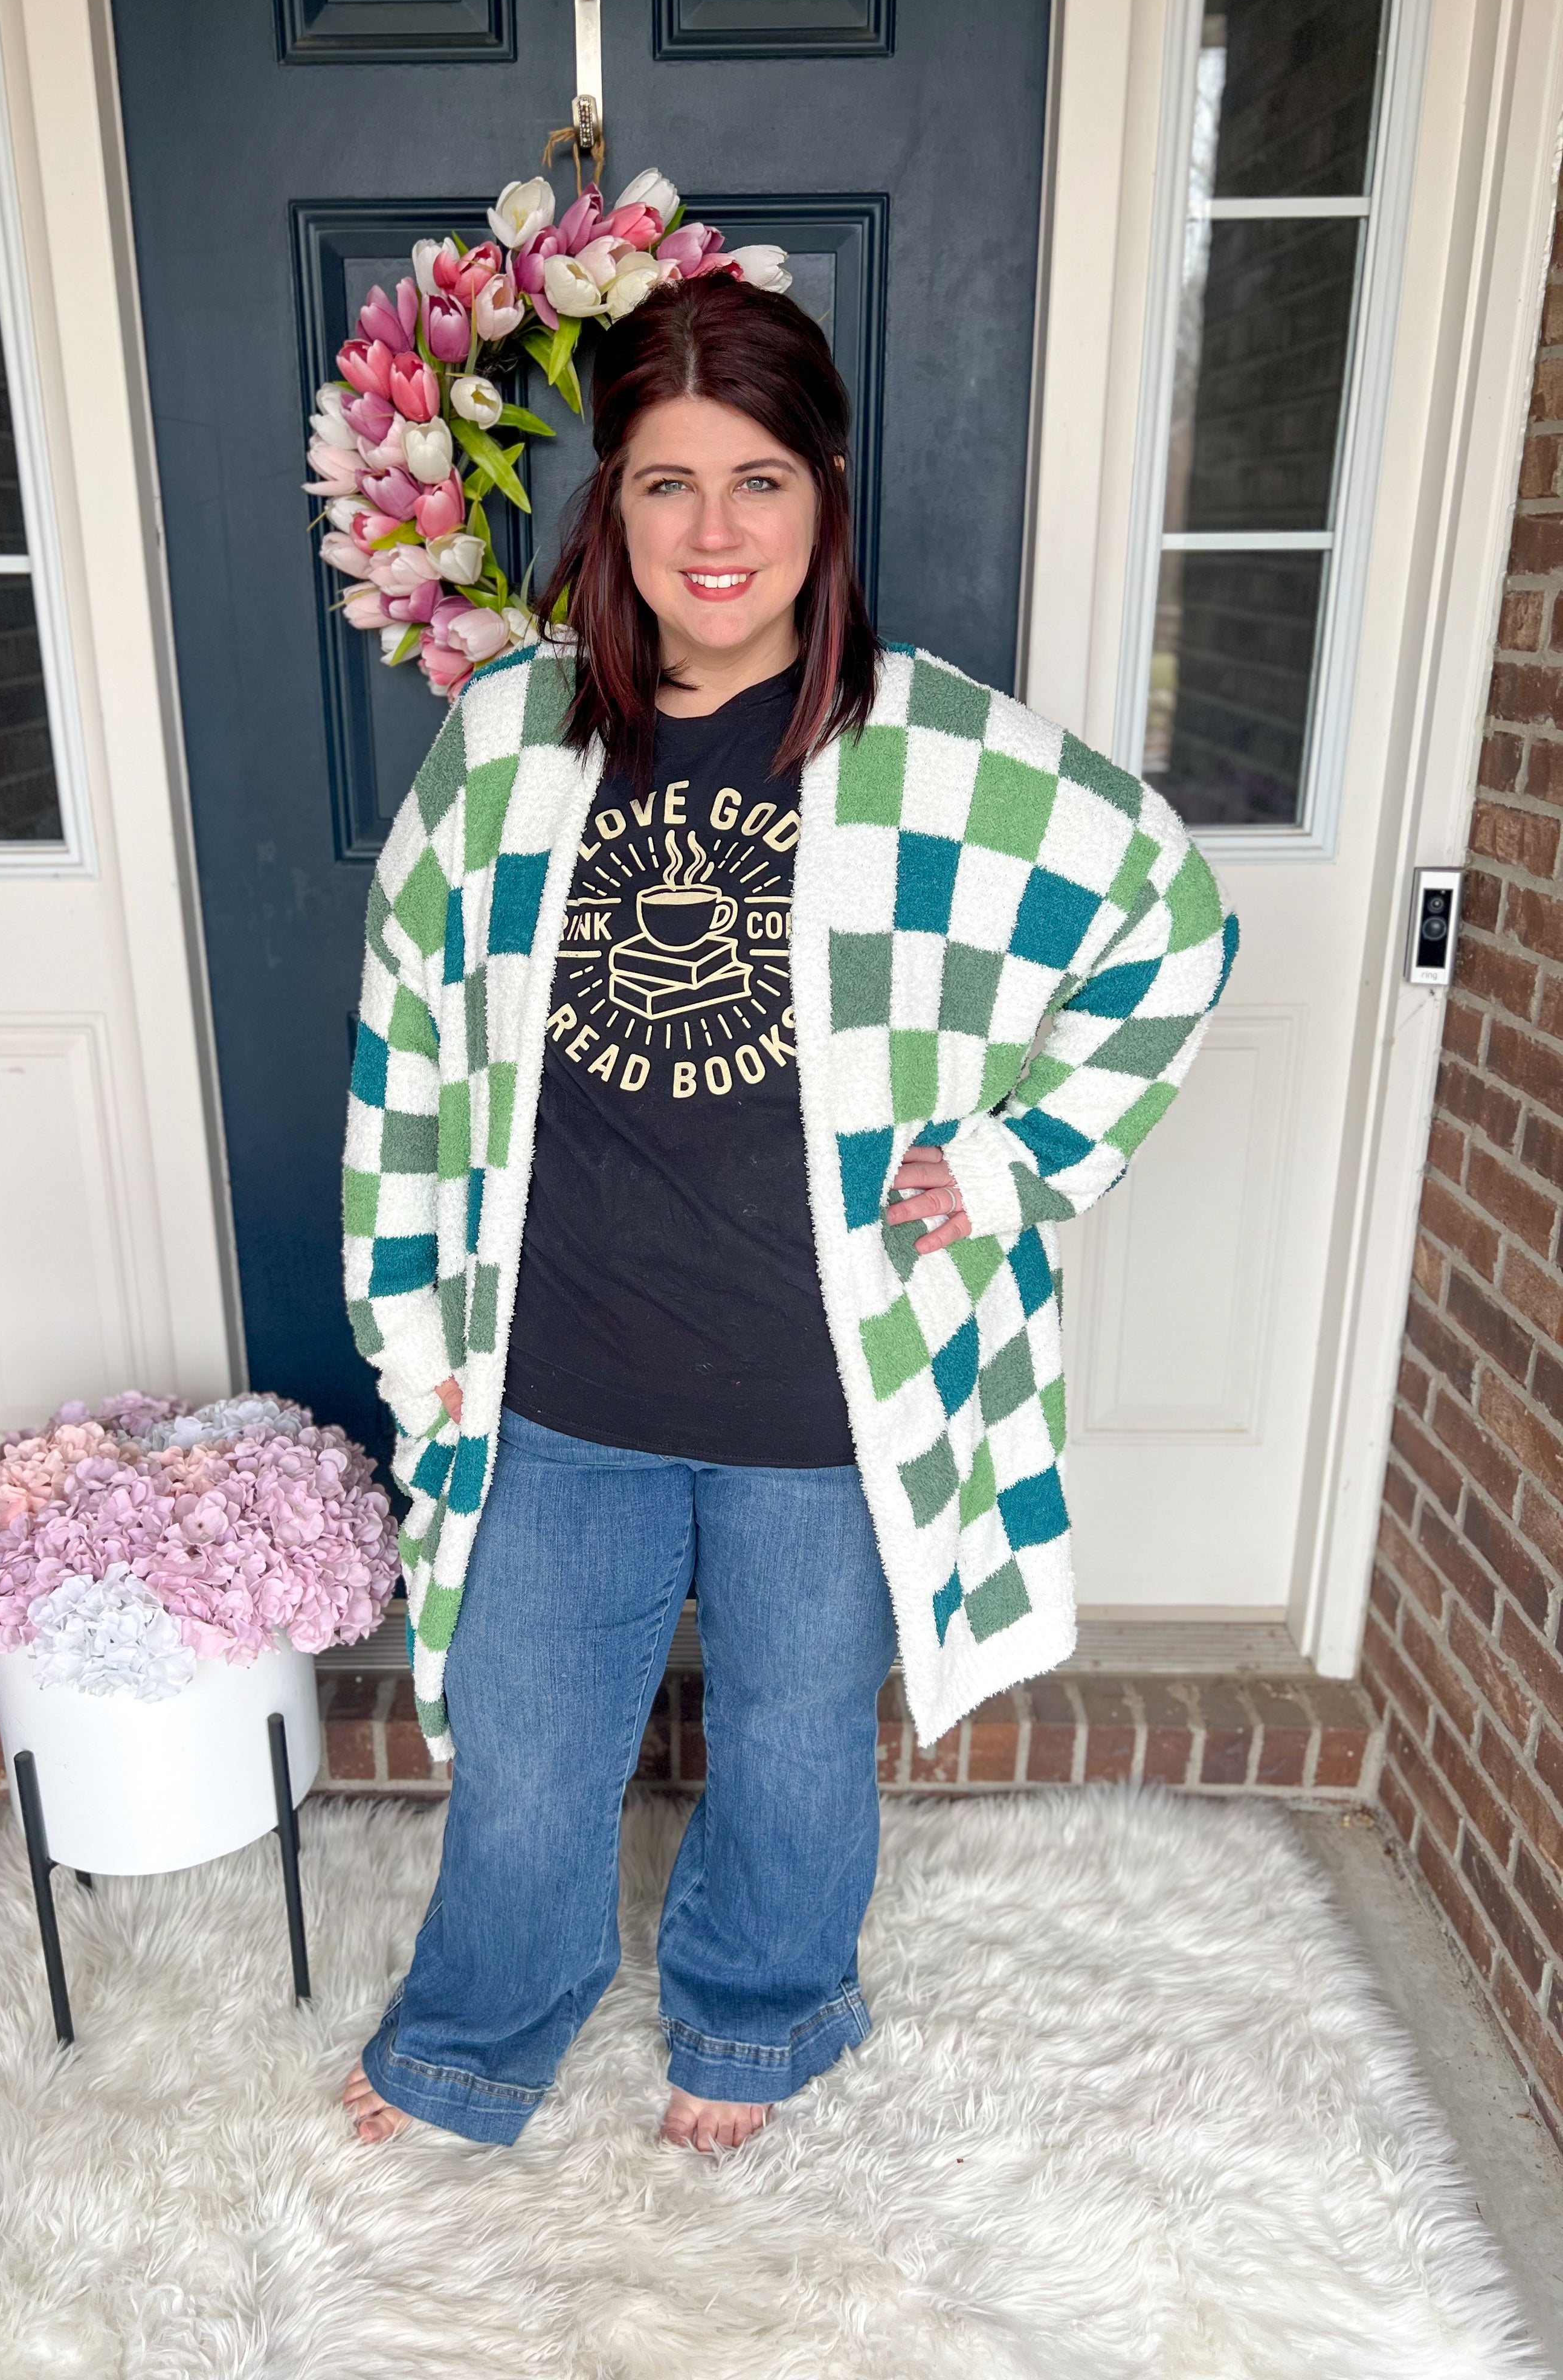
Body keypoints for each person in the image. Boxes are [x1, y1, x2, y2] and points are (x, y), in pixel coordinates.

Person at [338, 271, 1237, 2154]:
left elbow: (1174, 925)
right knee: (521, 1756)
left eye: (756, 477)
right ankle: (478, 2032)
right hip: (560, 1377)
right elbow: (408, 1044)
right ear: (612, 511)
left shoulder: (948, 760)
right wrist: (413, 1326)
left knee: (804, 1750)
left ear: (824, 488)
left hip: (822, 1395)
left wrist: (1005, 1167)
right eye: (666, 485)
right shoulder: (508, 748)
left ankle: (753, 2022)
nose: (714, 532)